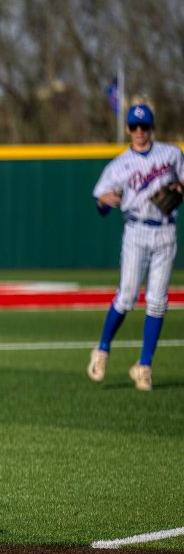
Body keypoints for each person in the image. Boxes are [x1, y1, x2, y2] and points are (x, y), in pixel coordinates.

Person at [88, 104, 184, 392]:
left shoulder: (171, 154)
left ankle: (144, 366)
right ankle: (102, 350)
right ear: (128, 129)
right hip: (136, 230)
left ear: (152, 127)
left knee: (157, 301)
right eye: (134, 126)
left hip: (165, 229)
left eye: (144, 126)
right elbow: (101, 206)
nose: (139, 131)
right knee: (128, 295)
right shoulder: (118, 165)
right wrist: (103, 202)